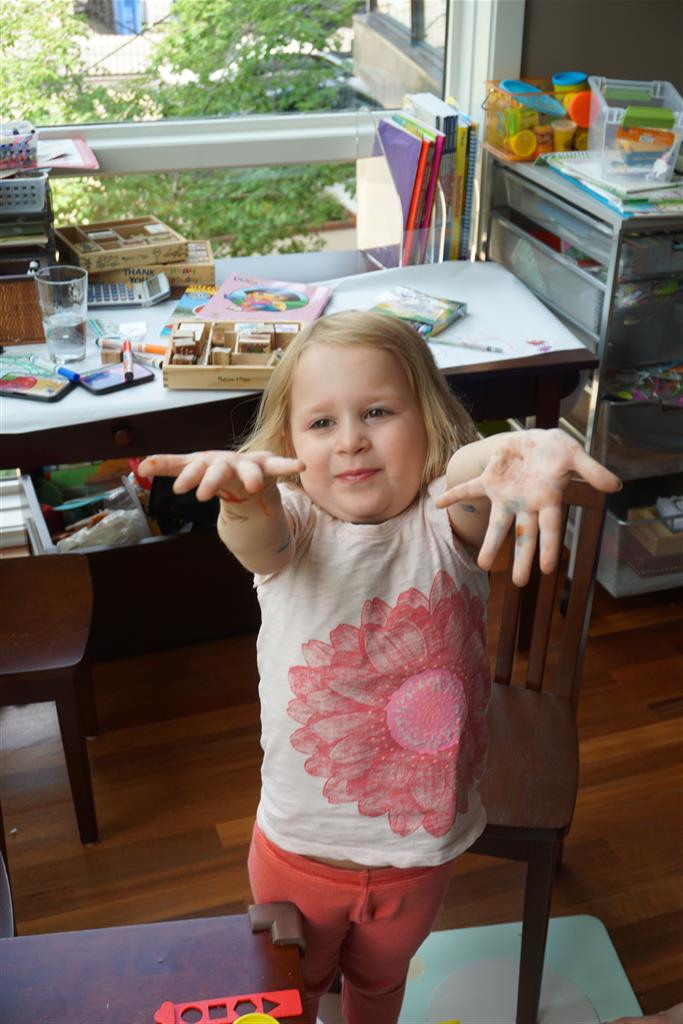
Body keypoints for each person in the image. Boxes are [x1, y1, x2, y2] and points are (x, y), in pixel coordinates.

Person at [139, 310, 621, 1024]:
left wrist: (513, 450)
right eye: (321, 423)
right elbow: (258, 538)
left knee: (380, 984)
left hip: (420, 855)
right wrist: (243, 499)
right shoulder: (294, 524)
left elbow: (469, 475)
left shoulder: (446, 520)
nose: (352, 440)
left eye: (377, 412)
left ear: (428, 421)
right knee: (293, 993)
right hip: (299, 852)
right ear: (288, 447)